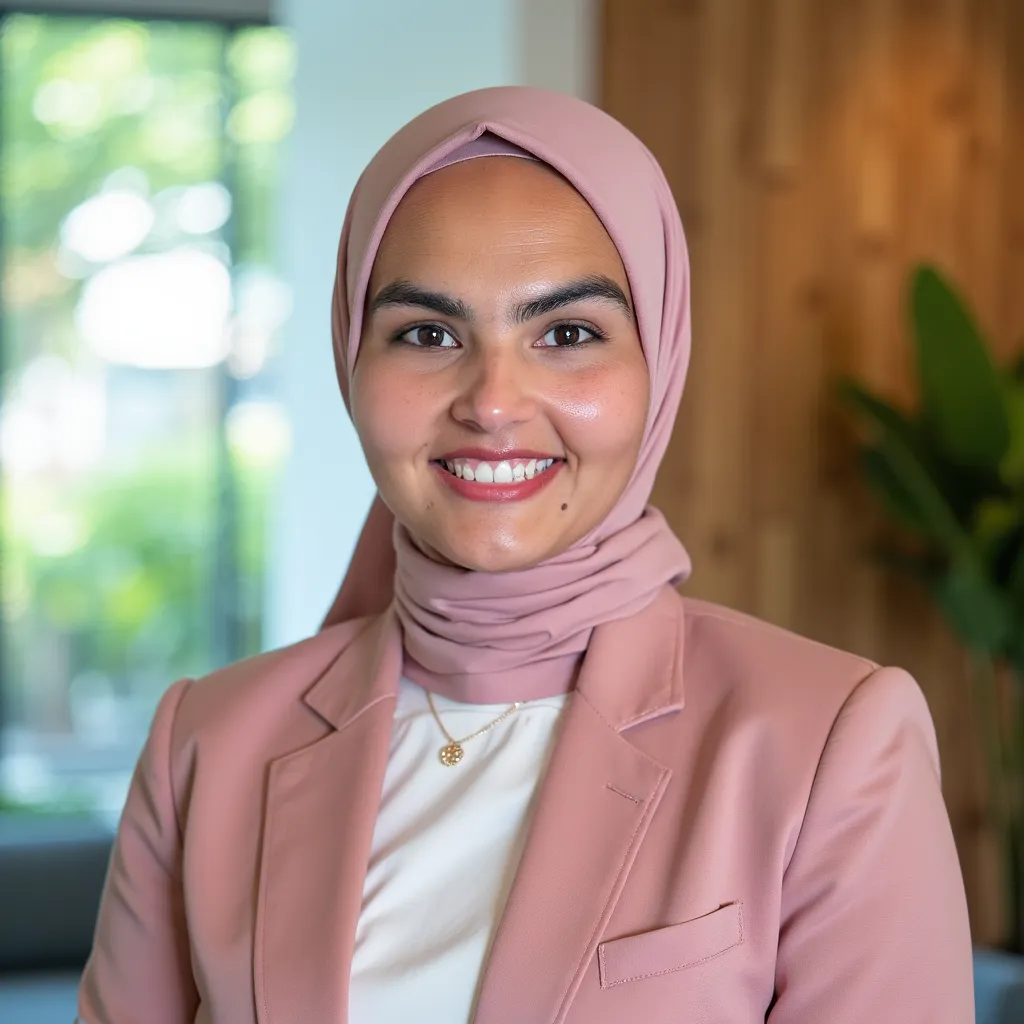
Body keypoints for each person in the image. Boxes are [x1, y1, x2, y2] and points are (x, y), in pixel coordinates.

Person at [77, 87, 974, 1024]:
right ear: (351, 358)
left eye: (567, 333)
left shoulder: (826, 741)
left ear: (658, 360)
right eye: (426, 334)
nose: (493, 402)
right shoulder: (207, 745)